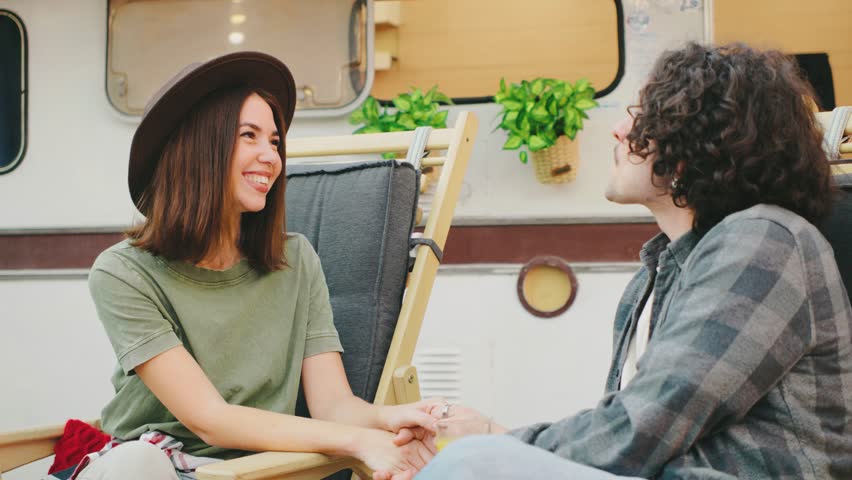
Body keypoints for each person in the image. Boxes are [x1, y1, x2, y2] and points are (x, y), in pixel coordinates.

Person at [414, 43, 852, 479]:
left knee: (468, 464)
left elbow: (642, 430)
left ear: (698, 140)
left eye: (642, 115)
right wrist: (493, 435)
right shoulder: (659, 268)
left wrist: (496, 443)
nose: (619, 129)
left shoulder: (764, 243)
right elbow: (635, 432)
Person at [81, 52, 436, 480]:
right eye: (249, 135)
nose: (270, 155)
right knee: (136, 465)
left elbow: (334, 406)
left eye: (274, 141)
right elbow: (208, 419)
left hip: (260, 470)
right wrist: (357, 441)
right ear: (198, 148)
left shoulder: (297, 260)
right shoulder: (123, 272)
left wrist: (388, 421)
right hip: (152, 465)